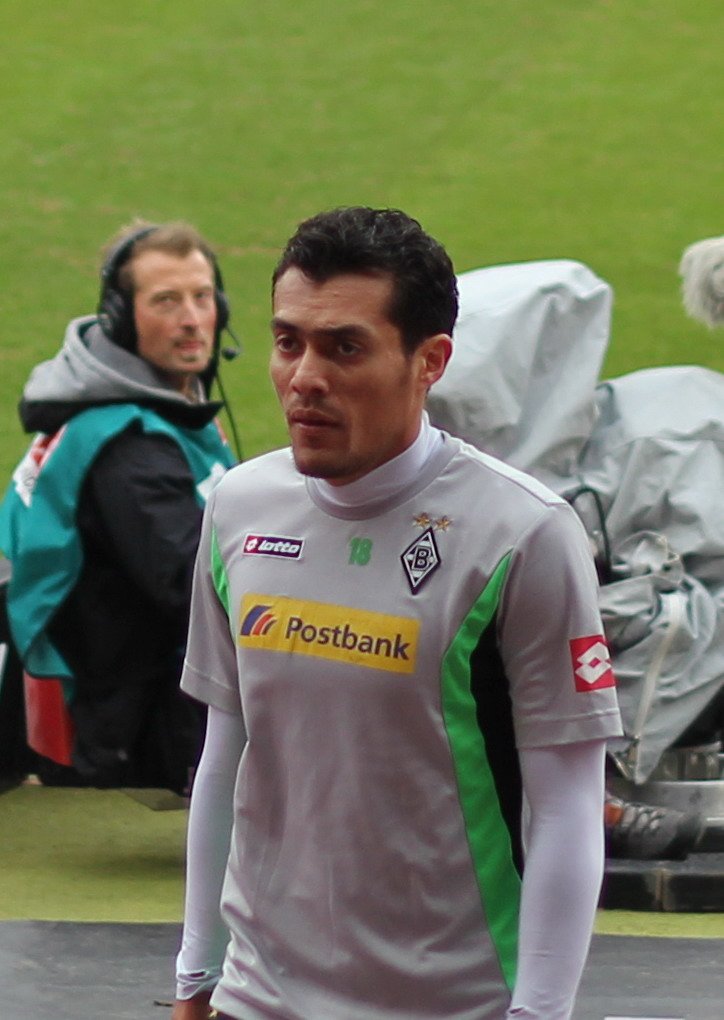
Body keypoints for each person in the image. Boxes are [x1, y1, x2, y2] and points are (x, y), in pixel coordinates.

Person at [172, 207, 623, 1020]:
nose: (305, 377)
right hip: (256, 998)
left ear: (430, 361)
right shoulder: (239, 507)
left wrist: (538, 1012)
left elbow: (566, 808)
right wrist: (196, 975)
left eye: (344, 347)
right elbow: (225, 754)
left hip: (453, 1004)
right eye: (288, 342)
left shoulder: (523, 535)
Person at [0, 220, 237, 794]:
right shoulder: (130, 449)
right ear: (119, 318)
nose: (191, 319)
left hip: (105, 702)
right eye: (166, 301)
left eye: (203, 297)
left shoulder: (135, 410)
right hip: (120, 738)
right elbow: (197, 591)